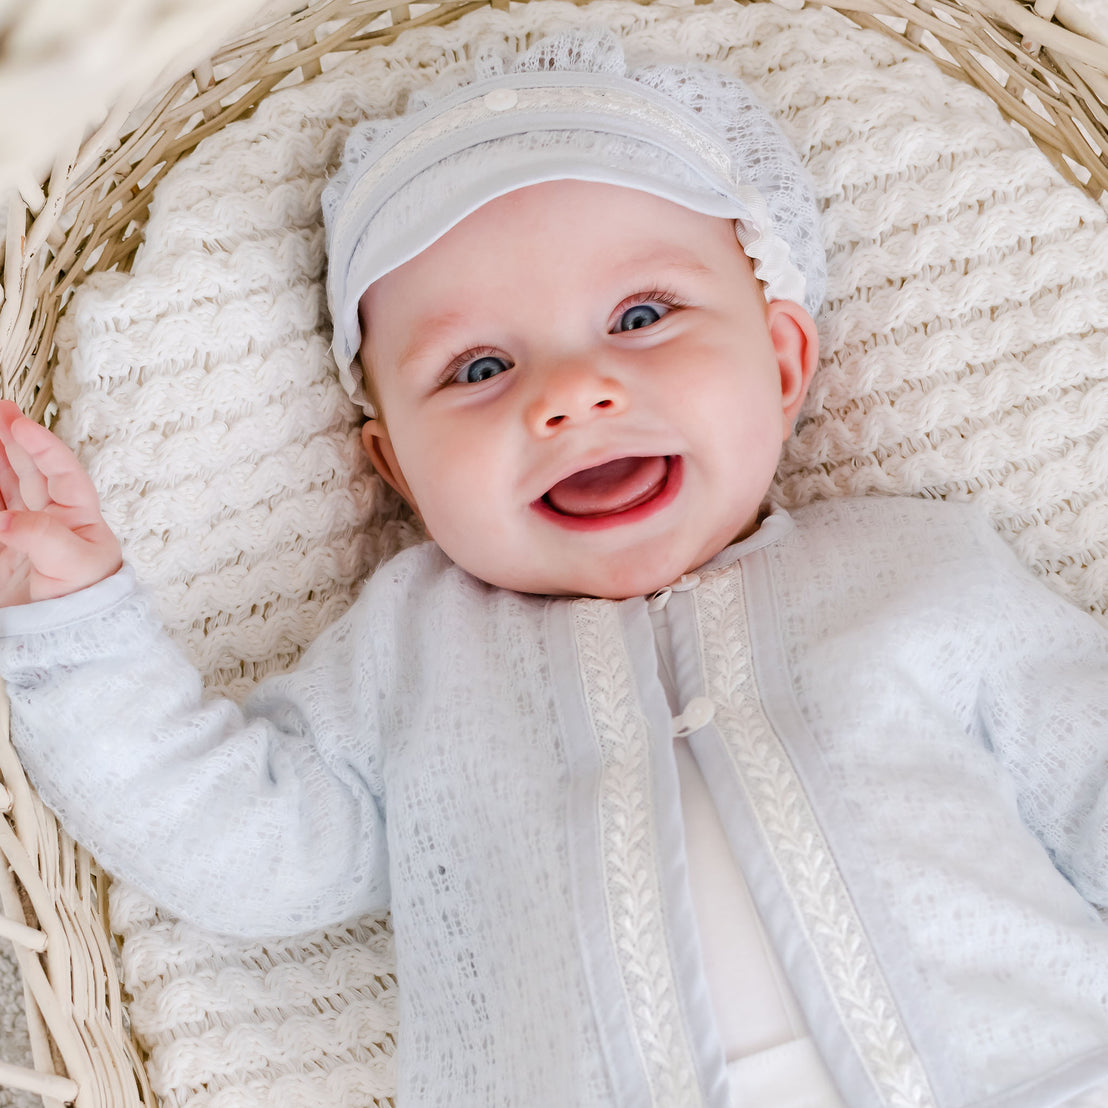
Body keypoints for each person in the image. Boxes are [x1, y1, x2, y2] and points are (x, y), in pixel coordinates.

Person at [1, 29, 1107, 1108]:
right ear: (397, 469)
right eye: (478, 367)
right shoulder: (414, 651)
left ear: (780, 360)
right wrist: (79, 627)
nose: (572, 393)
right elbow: (255, 850)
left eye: (641, 315)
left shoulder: (916, 571)